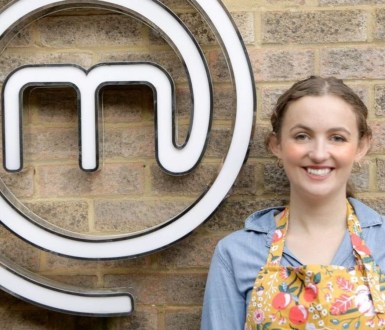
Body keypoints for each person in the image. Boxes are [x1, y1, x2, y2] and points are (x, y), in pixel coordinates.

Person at [201, 76, 385, 329]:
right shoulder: (235, 254)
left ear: (361, 146)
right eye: (302, 136)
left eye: (337, 138)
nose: (319, 154)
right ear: (276, 145)